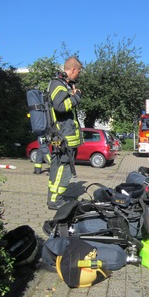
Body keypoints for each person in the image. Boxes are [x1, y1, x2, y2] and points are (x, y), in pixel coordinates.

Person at [47, 57, 83, 210]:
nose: (79, 74)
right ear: (73, 69)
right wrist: (76, 97)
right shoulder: (58, 85)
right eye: (79, 71)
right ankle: (56, 201)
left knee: (59, 168)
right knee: (63, 169)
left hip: (63, 137)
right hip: (64, 138)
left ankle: (55, 197)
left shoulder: (61, 85)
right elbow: (60, 107)